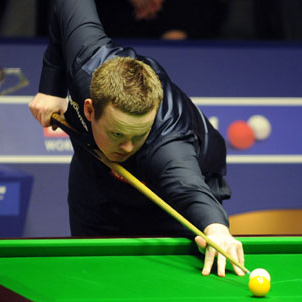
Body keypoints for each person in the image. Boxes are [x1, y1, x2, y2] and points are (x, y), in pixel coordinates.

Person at [29, 0, 245, 277]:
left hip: (164, 201)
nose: (128, 147)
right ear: (89, 109)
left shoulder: (168, 147)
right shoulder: (87, 58)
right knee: (91, 280)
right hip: (95, 185)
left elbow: (190, 189)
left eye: (138, 135)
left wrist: (217, 229)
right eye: (117, 134)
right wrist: (52, 87)